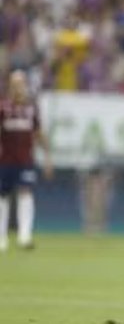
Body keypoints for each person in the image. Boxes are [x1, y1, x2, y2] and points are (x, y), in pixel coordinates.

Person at [0, 70, 53, 251]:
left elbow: (39, 134)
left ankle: (25, 236)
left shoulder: (31, 109)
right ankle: (2, 238)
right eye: (15, 83)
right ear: (10, 86)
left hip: (25, 160)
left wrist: (47, 158)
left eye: (21, 83)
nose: (18, 87)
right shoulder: (3, 108)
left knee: (26, 192)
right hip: (5, 160)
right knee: (3, 196)